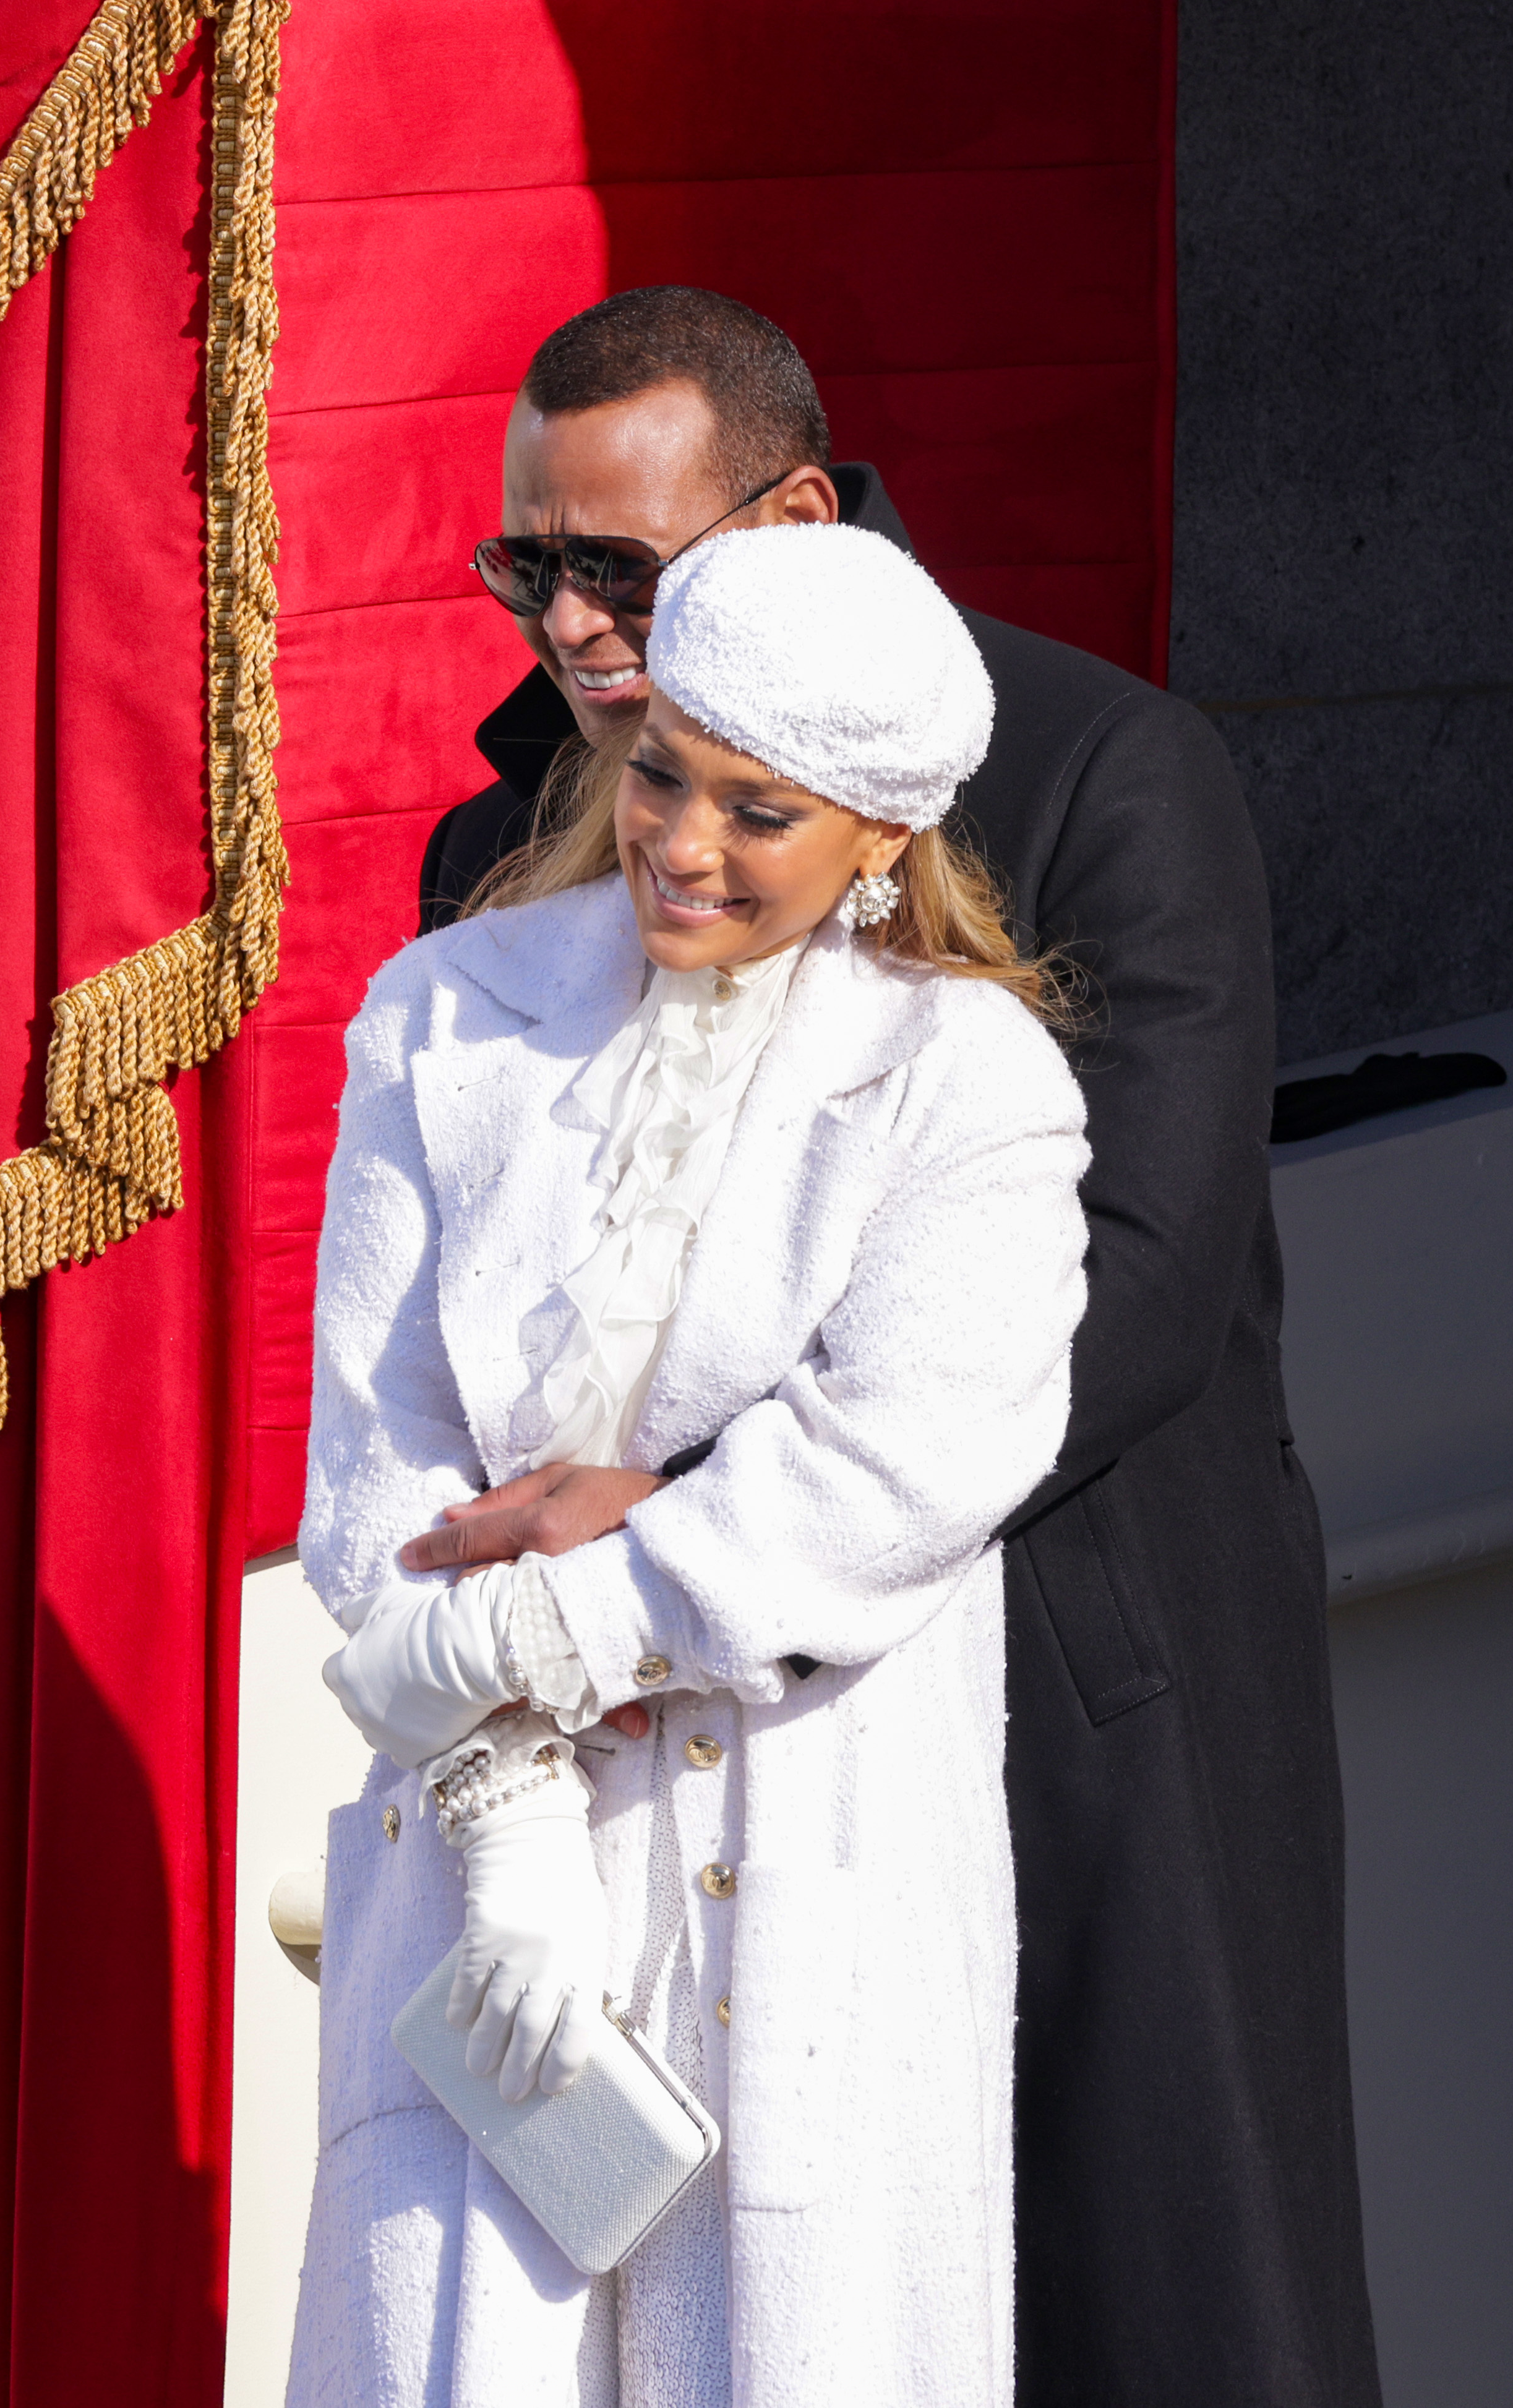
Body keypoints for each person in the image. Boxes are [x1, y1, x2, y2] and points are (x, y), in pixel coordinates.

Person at [418, 289, 1382, 2407]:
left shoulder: (1103, 764)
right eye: (529, 567)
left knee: (1154, 2301)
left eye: (622, 570)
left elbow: (1133, 1273)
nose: (571, 626)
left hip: (1072, 1670)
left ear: (793, 512)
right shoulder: (498, 849)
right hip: (653, 1717)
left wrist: (689, 1522)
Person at [291, 522, 1091, 2408]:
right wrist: (507, 1842)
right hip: (482, 1896)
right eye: (663, 771)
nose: (683, 842)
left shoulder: (968, 1079)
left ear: (879, 837)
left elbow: (897, 1471)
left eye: (760, 810)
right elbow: (371, 1475)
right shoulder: (441, 1012)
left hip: (812, 1879)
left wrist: (533, 1624)